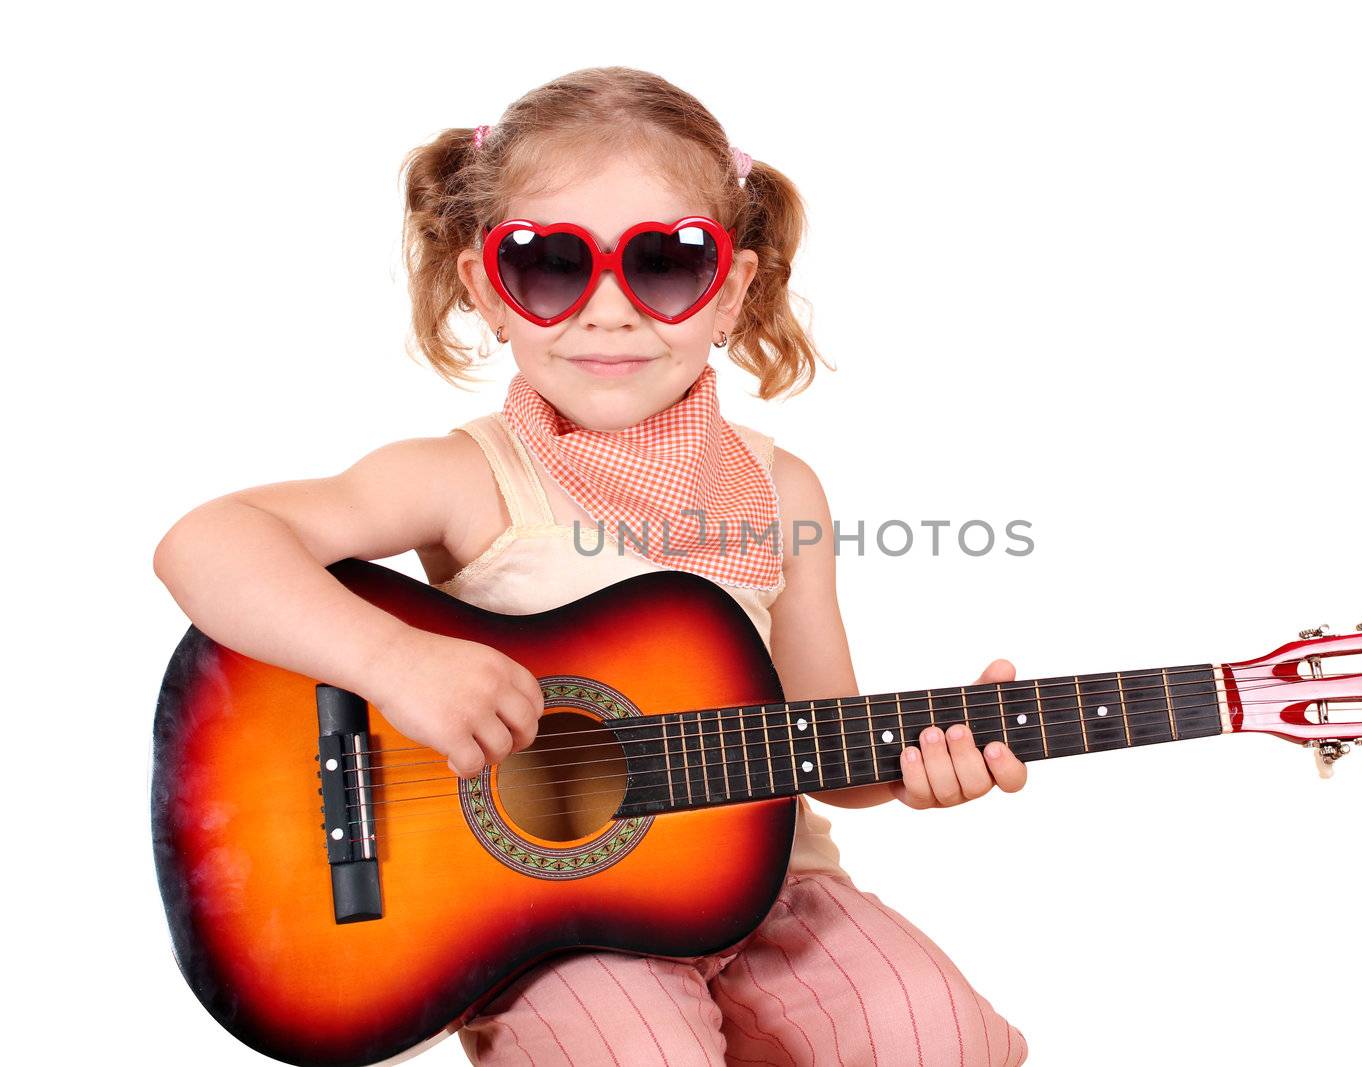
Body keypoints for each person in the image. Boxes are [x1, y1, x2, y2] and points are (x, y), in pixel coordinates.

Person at [153, 66, 1029, 1066]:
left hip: (769, 888)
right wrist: (393, 662)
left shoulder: (784, 492)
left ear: (731, 289)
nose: (608, 311)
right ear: (488, 287)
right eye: (549, 265)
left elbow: (825, 730)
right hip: (556, 925)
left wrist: (920, 764)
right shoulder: (463, 477)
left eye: (663, 265)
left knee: (937, 1030)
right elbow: (205, 542)